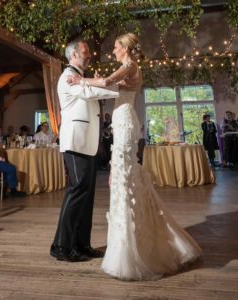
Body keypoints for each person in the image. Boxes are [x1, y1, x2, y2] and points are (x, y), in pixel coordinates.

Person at [68, 33, 202, 280]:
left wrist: (81, 80)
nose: (113, 50)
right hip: (122, 121)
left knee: (126, 177)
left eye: (116, 46)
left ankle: (133, 248)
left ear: (125, 48)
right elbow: (111, 84)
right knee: (124, 177)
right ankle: (130, 240)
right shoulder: (128, 67)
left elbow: (108, 81)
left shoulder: (129, 66)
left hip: (126, 120)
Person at [50, 39, 119, 263]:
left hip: (87, 144)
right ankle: (61, 246)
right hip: (75, 143)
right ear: (73, 55)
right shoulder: (67, 77)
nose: (89, 54)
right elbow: (90, 93)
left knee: (87, 195)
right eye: (85, 51)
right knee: (77, 189)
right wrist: (119, 88)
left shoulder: (79, 77)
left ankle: (81, 244)